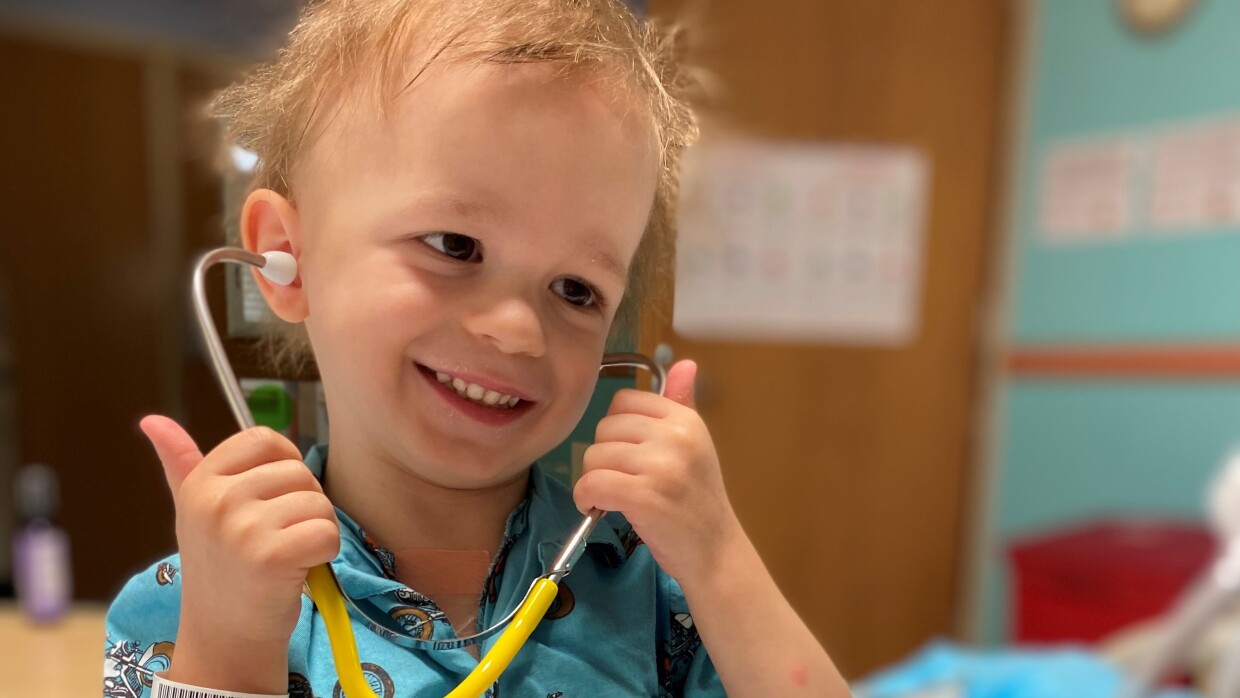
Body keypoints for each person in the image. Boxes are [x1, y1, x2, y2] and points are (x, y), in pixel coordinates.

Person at [104, 1, 851, 696]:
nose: (518, 330)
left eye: (576, 290)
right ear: (289, 256)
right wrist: (229, 645)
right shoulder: (199, 598)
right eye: (454, 246)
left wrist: (721, 559)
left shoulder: (652, 595)